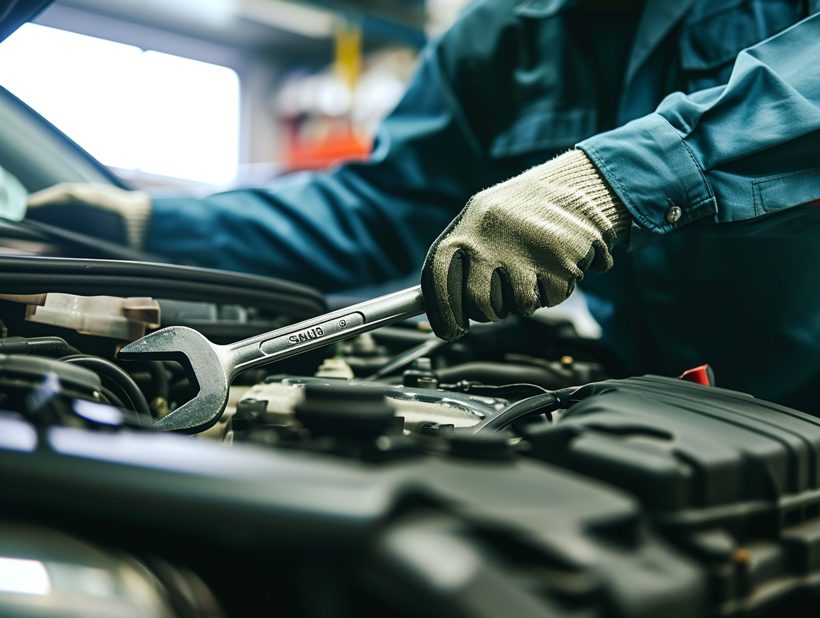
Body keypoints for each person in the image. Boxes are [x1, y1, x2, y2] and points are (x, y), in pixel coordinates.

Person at [27, 1, 820, 409]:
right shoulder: (501, 41)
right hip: (666, 404)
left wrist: (613, 182)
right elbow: (378, 209)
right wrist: (149, 225)